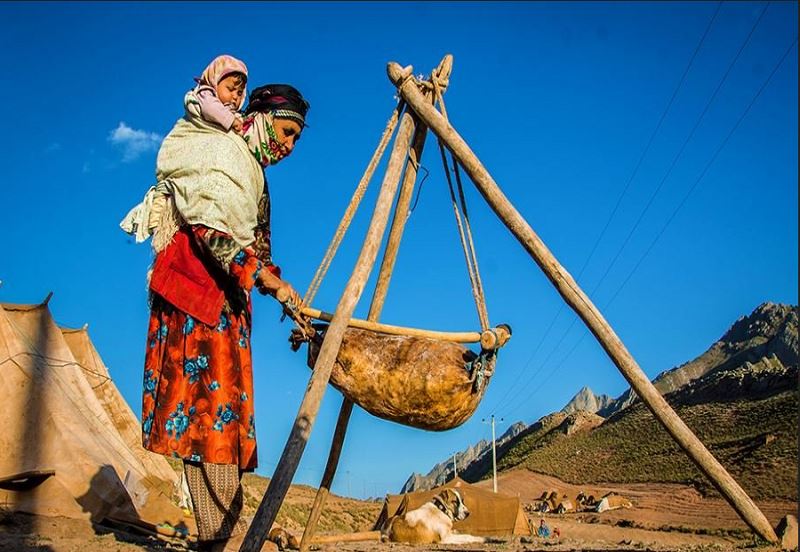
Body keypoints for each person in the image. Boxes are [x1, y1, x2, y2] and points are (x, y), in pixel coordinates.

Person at [135, 83, 309, 552]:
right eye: (287, 132)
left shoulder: (257, 181)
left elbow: (258, 252)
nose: (290, 145)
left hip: (226, 307)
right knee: (206, 424)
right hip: (193, 300)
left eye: (297, 138)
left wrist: (285, 294)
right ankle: (220, 536)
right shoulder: (224, 153)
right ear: (261, 119)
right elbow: (208, 231)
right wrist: (264, 278)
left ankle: (220, 534)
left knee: (221, 425)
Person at [184, 54, 249, 134]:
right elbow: (210, 108)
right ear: (215, 82)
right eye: (230, 89)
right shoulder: (205, 94)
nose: (235, 96)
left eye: (239, 93)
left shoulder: (234, 112)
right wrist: (231, 120)